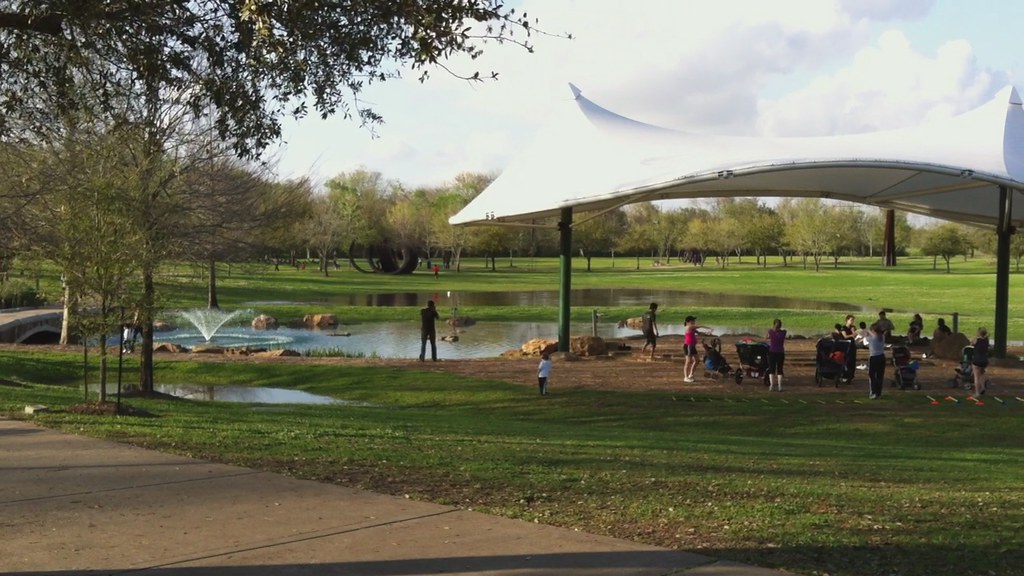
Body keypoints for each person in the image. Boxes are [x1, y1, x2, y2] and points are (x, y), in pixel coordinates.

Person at [683, 315, 709, 383]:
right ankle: (685, 377)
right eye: (692, 320)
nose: (694, 321)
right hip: (688, 346)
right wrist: (708, 328)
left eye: (694, 320)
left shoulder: (692, 328)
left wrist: (707, 333)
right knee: (688, 362)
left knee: (697, 360)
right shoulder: (688, 327)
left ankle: (691, 375)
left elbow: (699, 333)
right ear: (688, 322)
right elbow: (700, 326)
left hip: (692, 346)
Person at [866, 322, 886, 399]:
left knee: (872, 376)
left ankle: (873, 393)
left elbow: (867, 338)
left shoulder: (872, 338)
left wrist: (868, 331)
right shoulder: (882, 337)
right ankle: (879, 393)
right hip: (881, 357)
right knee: (880, 376)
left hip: (874, 358)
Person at [767, 318, 786, 392]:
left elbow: (766, 337)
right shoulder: (784, 332)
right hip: (780, 352)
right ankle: (779, 386)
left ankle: (771, 385)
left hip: (772, 352)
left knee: (772, 369)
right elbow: (781, 331)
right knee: (779, 369)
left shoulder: (771, 332)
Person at [972, 327, 991, 396]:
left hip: (977, 360)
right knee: (982, 375)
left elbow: (971, 344)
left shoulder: (976, 340)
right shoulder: (986, 340)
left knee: (976, 377)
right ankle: (983, 388)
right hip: (984, 360)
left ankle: (977, 393)